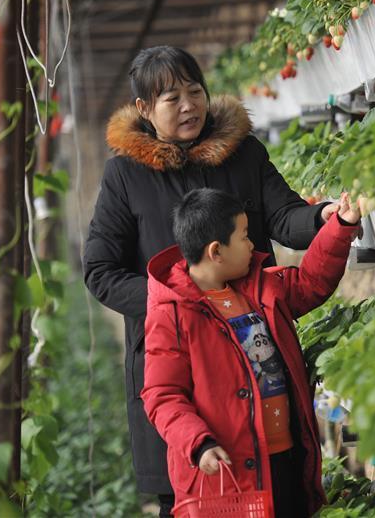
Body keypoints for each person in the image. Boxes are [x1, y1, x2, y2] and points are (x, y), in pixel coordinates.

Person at [83, 46, 342, 516]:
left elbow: (284, 216)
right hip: (176, 358)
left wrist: (323, 218)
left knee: (277, 479)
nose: (188, 106)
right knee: (193, 490)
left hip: (252, 347)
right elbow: (100, 271)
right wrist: (175, 304)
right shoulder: (126, 174)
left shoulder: (242, 153)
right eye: (172, 99)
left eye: (194, 91)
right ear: (144, 109)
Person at [141, 188, 363, 516]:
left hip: (284, 458)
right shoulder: (172, 314)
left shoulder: (258, 287)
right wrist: (198, 442)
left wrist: (341, 226)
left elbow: (309, 283)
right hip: (229, 474)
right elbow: (162, 395)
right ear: (216, 251)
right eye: (244, 237)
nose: (251, 245)